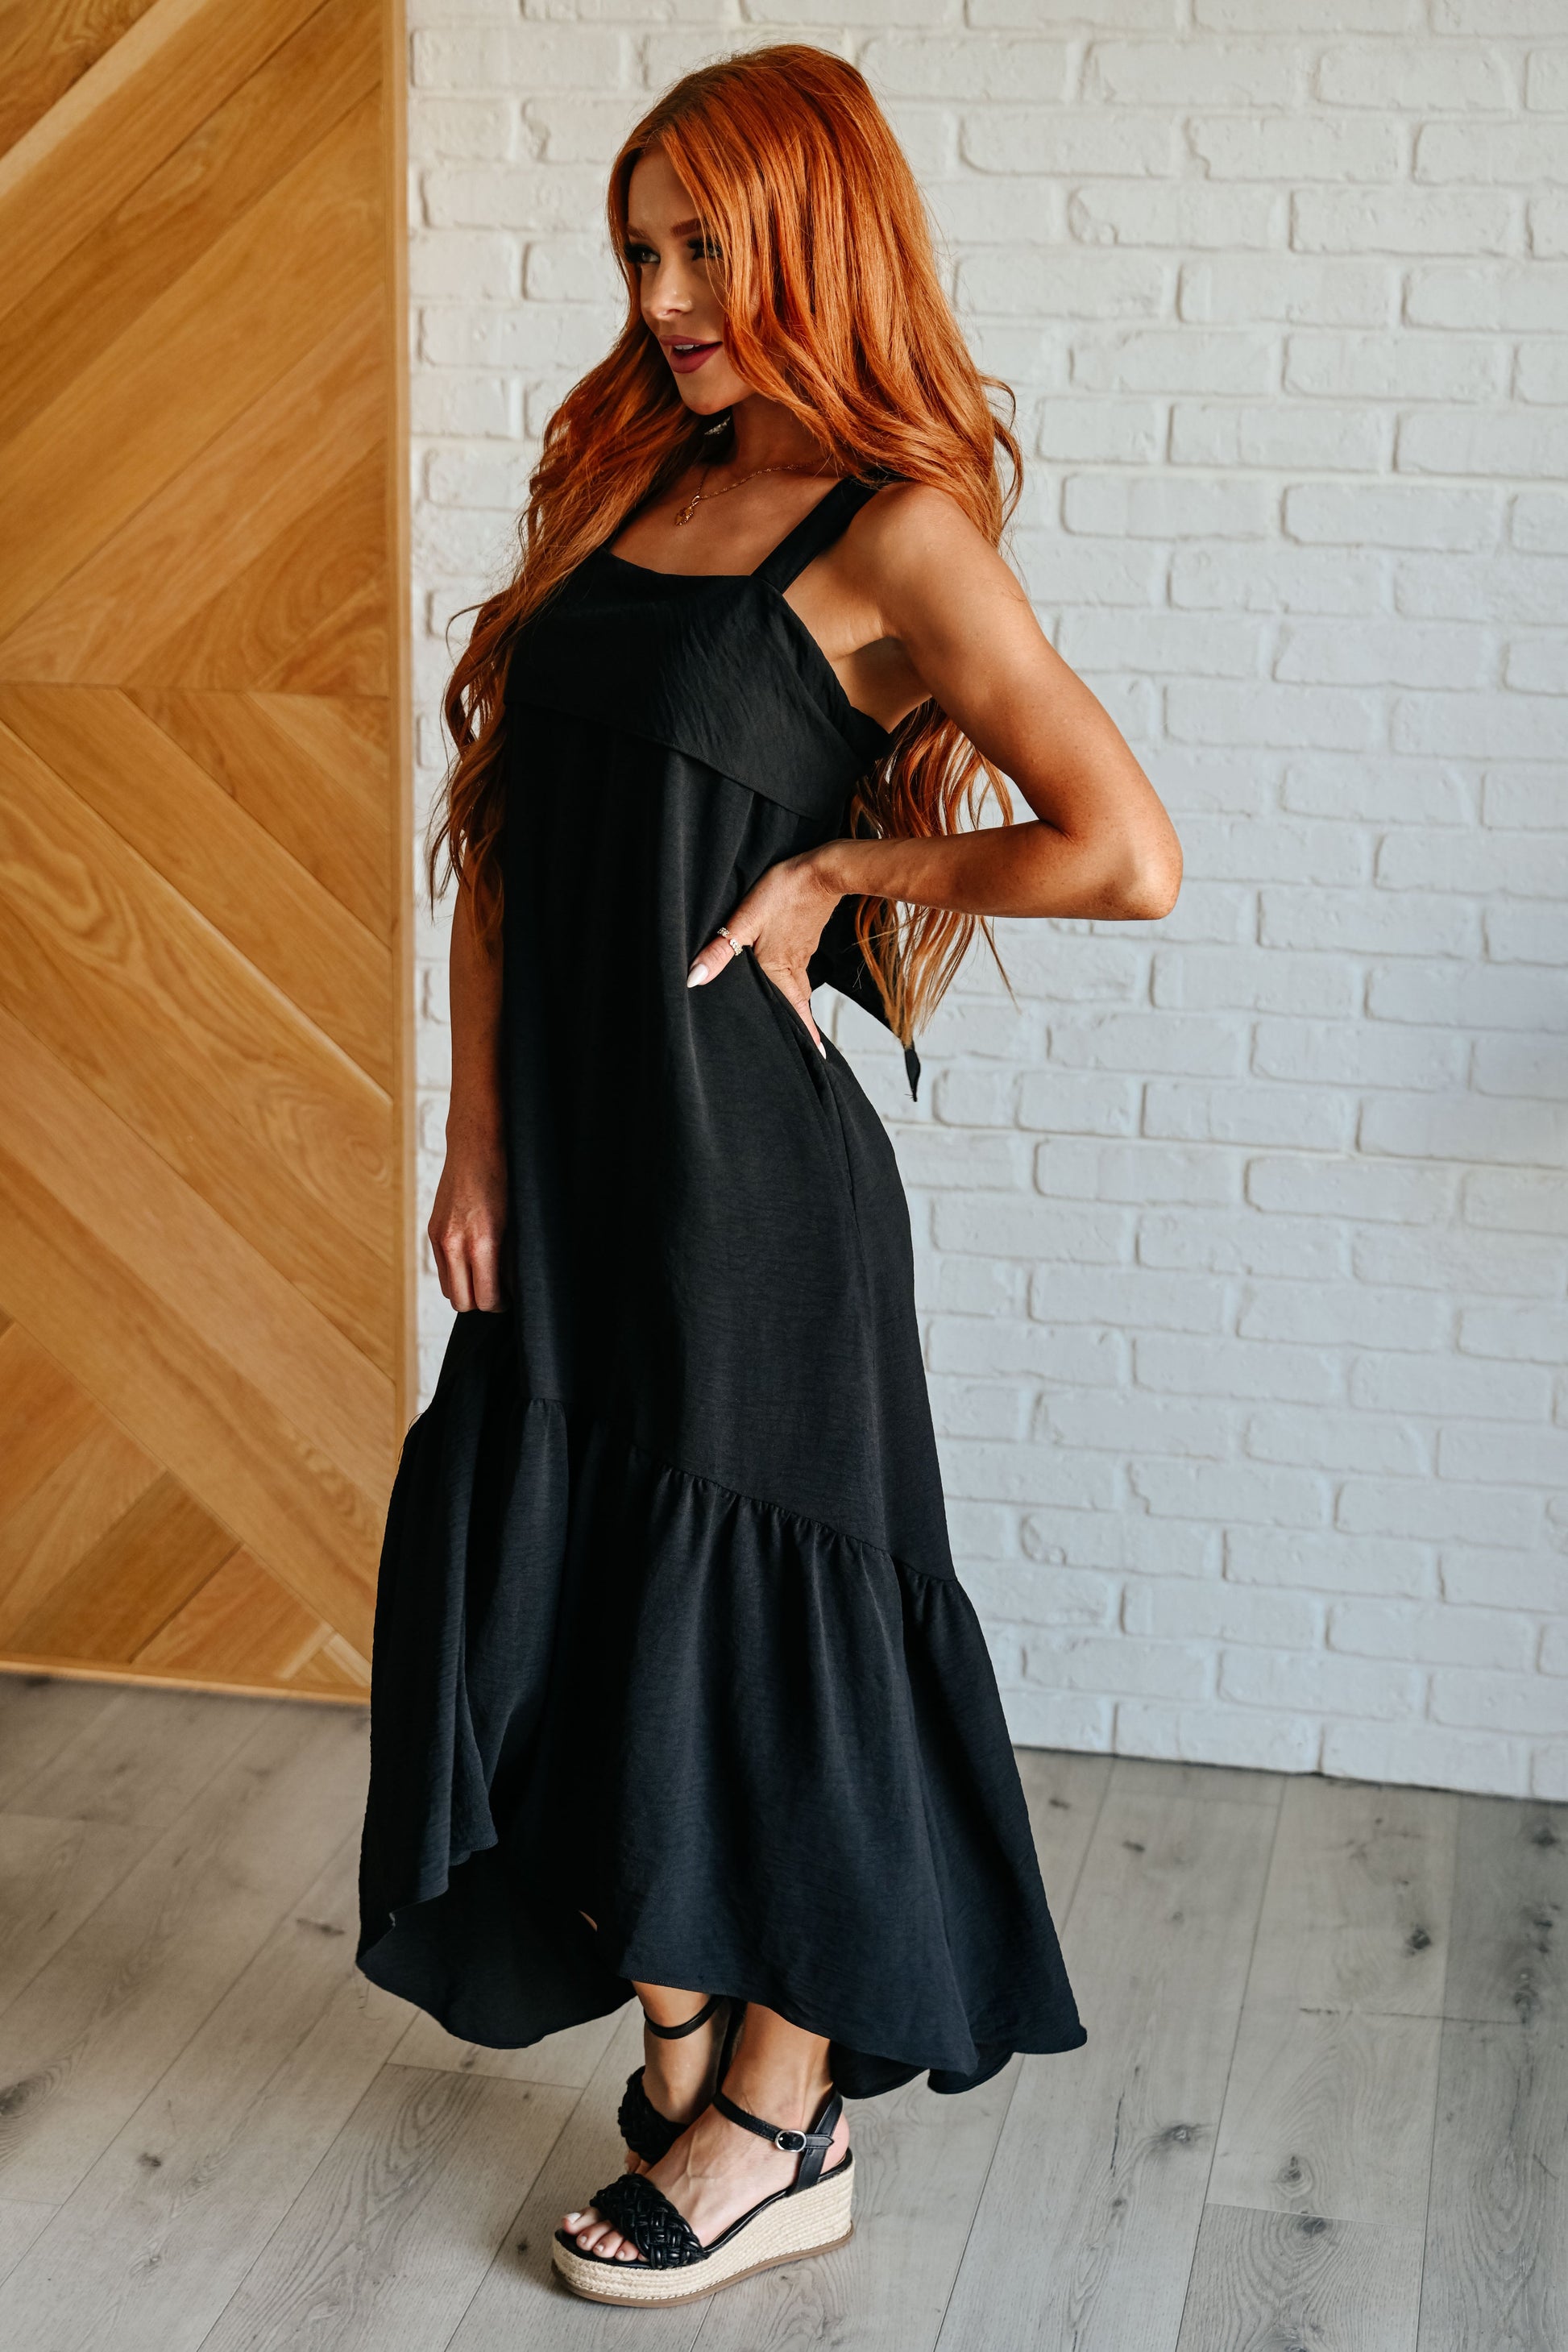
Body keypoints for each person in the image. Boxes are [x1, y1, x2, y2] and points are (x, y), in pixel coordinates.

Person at [356, 44, 1180, 2310]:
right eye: (639, 251)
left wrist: (843, 867)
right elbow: (505, 838)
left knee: (756, 1646)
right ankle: (687, 2036)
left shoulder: (894, 534)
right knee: (570, 1608)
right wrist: (474, 1132)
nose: (662, 296)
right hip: (571, 1178)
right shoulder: (629, 482)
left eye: (705, 248)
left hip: (751, 1201)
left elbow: (1124, 852)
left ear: (815, 234)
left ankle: (783, 2110)